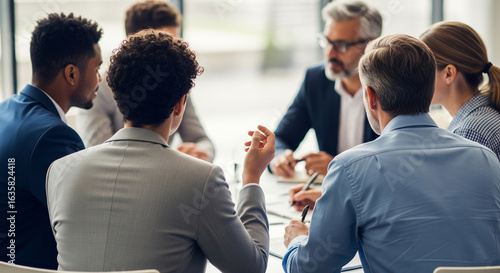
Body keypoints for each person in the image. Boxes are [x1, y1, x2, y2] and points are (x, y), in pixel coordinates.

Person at [46, 30, 273, 273]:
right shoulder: (201, 180)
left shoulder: (59, 171)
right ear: (179, 104)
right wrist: (252, 178)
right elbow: (252, 267)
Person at [282, 34, 500, 273]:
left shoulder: (349, 168)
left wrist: (297, 241)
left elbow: (310, 268)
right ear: (429, 92)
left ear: (371, 97)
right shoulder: (486, 159)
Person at [0, 13, 102, 269]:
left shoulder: (5, 109)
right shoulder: (54, 138)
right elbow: (90, 224)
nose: (100, 79)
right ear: (71, 74)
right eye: (97, 68)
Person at [77, 0, 215, 162]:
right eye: (164, 42)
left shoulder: (176, 79)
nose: (175, 51)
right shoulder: (98, 87)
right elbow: (99, 153)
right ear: (133, 41)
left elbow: (202, 139)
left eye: (176, 41)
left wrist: (199, 152)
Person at [270, 0, 381, 179]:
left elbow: (397, 164)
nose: (330, 53)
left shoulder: (390, 85)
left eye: (341, 45)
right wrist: (279, 158)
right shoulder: (315, 80)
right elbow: (281, 139)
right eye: (327, 41)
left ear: (371, 44)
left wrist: (337, 166)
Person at [420, 21, 500, 160]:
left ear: (449, 74)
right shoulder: (484, 114)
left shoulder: (469, 132)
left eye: (422, 71)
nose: (416, 79)